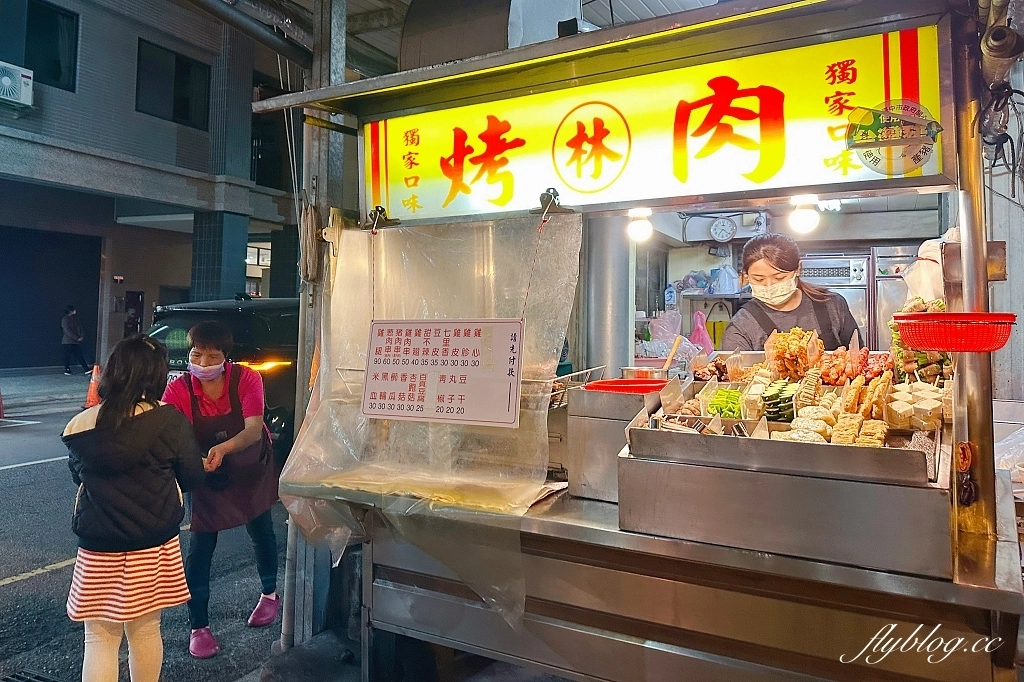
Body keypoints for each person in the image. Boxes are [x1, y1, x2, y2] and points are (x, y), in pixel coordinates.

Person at [63, 335, 206, 682]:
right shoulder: (169, 421)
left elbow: (77, 476)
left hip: (98, 545)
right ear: (155, 376)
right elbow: (191, 478)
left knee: (99, 637)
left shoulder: (82, 424)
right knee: (144, 631)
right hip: (152, 543)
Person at [162, 321, 280, 659]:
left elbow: (254, 429)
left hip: (249, 465)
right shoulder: (179, 389)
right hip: (207, 471)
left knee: (260, 528)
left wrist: (223, 449)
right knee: (200, 545)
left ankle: (270, 594)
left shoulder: (246, 378)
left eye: (212, 357)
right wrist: (196, 459)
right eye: (196, 354)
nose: (202, 363)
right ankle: (198, 626)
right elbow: (175, 435)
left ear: (226, 358)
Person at [721, 233, 861, 352]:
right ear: (746, 276)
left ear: (798, 269)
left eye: (779, 277)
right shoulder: (742, 325)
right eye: (759, 279)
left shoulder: (832, 305)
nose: (769, 286)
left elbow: (859, 358)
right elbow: (735, 379)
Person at [62, 305, 92, 375]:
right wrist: (77, 337)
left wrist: (81, 336)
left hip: (75, 341)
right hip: (68, 341)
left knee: (79, 355)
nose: (75, 311)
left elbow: (80, 327)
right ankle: (67, 369)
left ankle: (86, 369)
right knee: (67, 356)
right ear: (70, 311)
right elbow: (67, 330)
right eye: (73, 310)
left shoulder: (75, 319)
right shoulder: (65, 319)